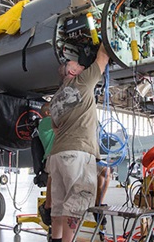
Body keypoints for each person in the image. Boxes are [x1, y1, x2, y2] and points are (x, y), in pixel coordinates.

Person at [48, 43, 109, 242]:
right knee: (75, 208)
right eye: (78, 65)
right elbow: (103, 57)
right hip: (78, 153)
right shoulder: (82, 81)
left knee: (58, 208)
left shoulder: (55, 100)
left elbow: (56, 128)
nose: (83, 66)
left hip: (57, 157)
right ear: (72, 71)